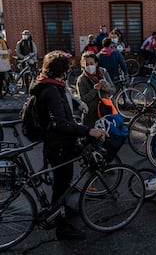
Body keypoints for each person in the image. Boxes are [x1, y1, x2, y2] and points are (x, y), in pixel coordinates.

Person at [29, 50, 108, 240]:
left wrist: (76, 104)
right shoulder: (51, 90)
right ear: (61, 71)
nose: (68, 72)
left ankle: (63, 208)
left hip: (56, 143)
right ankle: (61, 227)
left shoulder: (48, 84)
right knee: (61, 184)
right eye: (66, 69)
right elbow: (61, 123)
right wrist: (87, 131)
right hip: (59, 144)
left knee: (63, 181)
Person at [76, 52, 116, 128]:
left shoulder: (103, 72)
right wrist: (95, 90)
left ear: (96, 63)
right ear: (83, 66)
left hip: (105, 112)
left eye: (91, 63)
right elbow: (83, 99)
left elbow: (113, 90)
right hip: (91, 117)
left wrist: (106, 89)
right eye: (86, 64)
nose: (89, 66)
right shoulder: (82, 79)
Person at [0, 32, 11, 98]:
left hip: (4, 62)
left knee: (4, 77)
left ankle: (6, 90)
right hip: (1, 63)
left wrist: (8, 51)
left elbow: (6, 48)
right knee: (0, 79)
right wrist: (6, 52)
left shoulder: (3, 41)